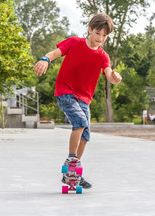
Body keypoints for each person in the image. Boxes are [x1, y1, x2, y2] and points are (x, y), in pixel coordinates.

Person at [33, 13, 122, 189]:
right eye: (98, 33)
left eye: (104, 36)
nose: (100, 38)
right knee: (80, 122)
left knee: (86, 134)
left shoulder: (103, 56)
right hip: (65, 92)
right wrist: (45, 59)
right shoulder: (74, 42)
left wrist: (115, 77)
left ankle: (71, 173)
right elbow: (55, 52)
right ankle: (72, 159)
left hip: (84, 99)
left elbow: (108, 74)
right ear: (89, 29)